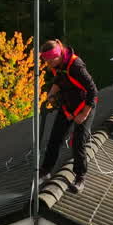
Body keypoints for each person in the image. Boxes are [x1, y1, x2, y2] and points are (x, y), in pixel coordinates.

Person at [38, 39, 97, 194]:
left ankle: (80, 177)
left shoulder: (76, 66)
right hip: (67, 107)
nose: (48, 64)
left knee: (78, 142)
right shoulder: (58, 64)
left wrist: (83, 114)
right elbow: (59, 79)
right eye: (46, 61)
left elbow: (93, 91)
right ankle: (46, 171)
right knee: (54, 138)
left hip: (85, 106)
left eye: (50, 61)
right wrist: (51, 94)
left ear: (58, 55)